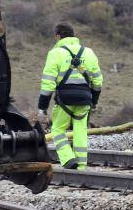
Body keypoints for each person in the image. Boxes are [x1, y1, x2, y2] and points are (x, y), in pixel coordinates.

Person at [36, 23, 102, 170]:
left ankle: (68, 158)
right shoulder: (89, 53)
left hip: (64, 100)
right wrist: (95, 101)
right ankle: (81, 166)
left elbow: (48, 83)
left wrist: (42, 107)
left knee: (58, 130)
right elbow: (97, 82)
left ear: (58, 36)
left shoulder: (55, 53)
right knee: (80, 130)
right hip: (85, 99)